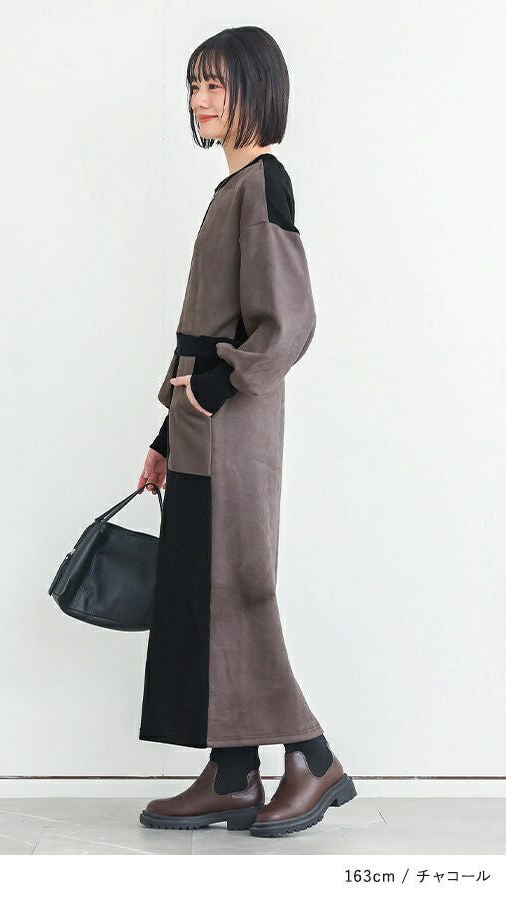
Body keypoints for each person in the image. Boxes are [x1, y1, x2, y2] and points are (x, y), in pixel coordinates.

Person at [135, 26, 356, 836]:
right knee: (208, 595)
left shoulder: (264, 185)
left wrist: (213, 389)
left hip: (232, 429)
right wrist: (167, 435)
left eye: (216, 85)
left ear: (256, 90)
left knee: (240, 592)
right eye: (194, 85)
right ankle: (233, 773)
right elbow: (206, 325)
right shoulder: (232, 188)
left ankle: (312, 757)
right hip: (203, 431)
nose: (199, 100)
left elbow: (288, 320)